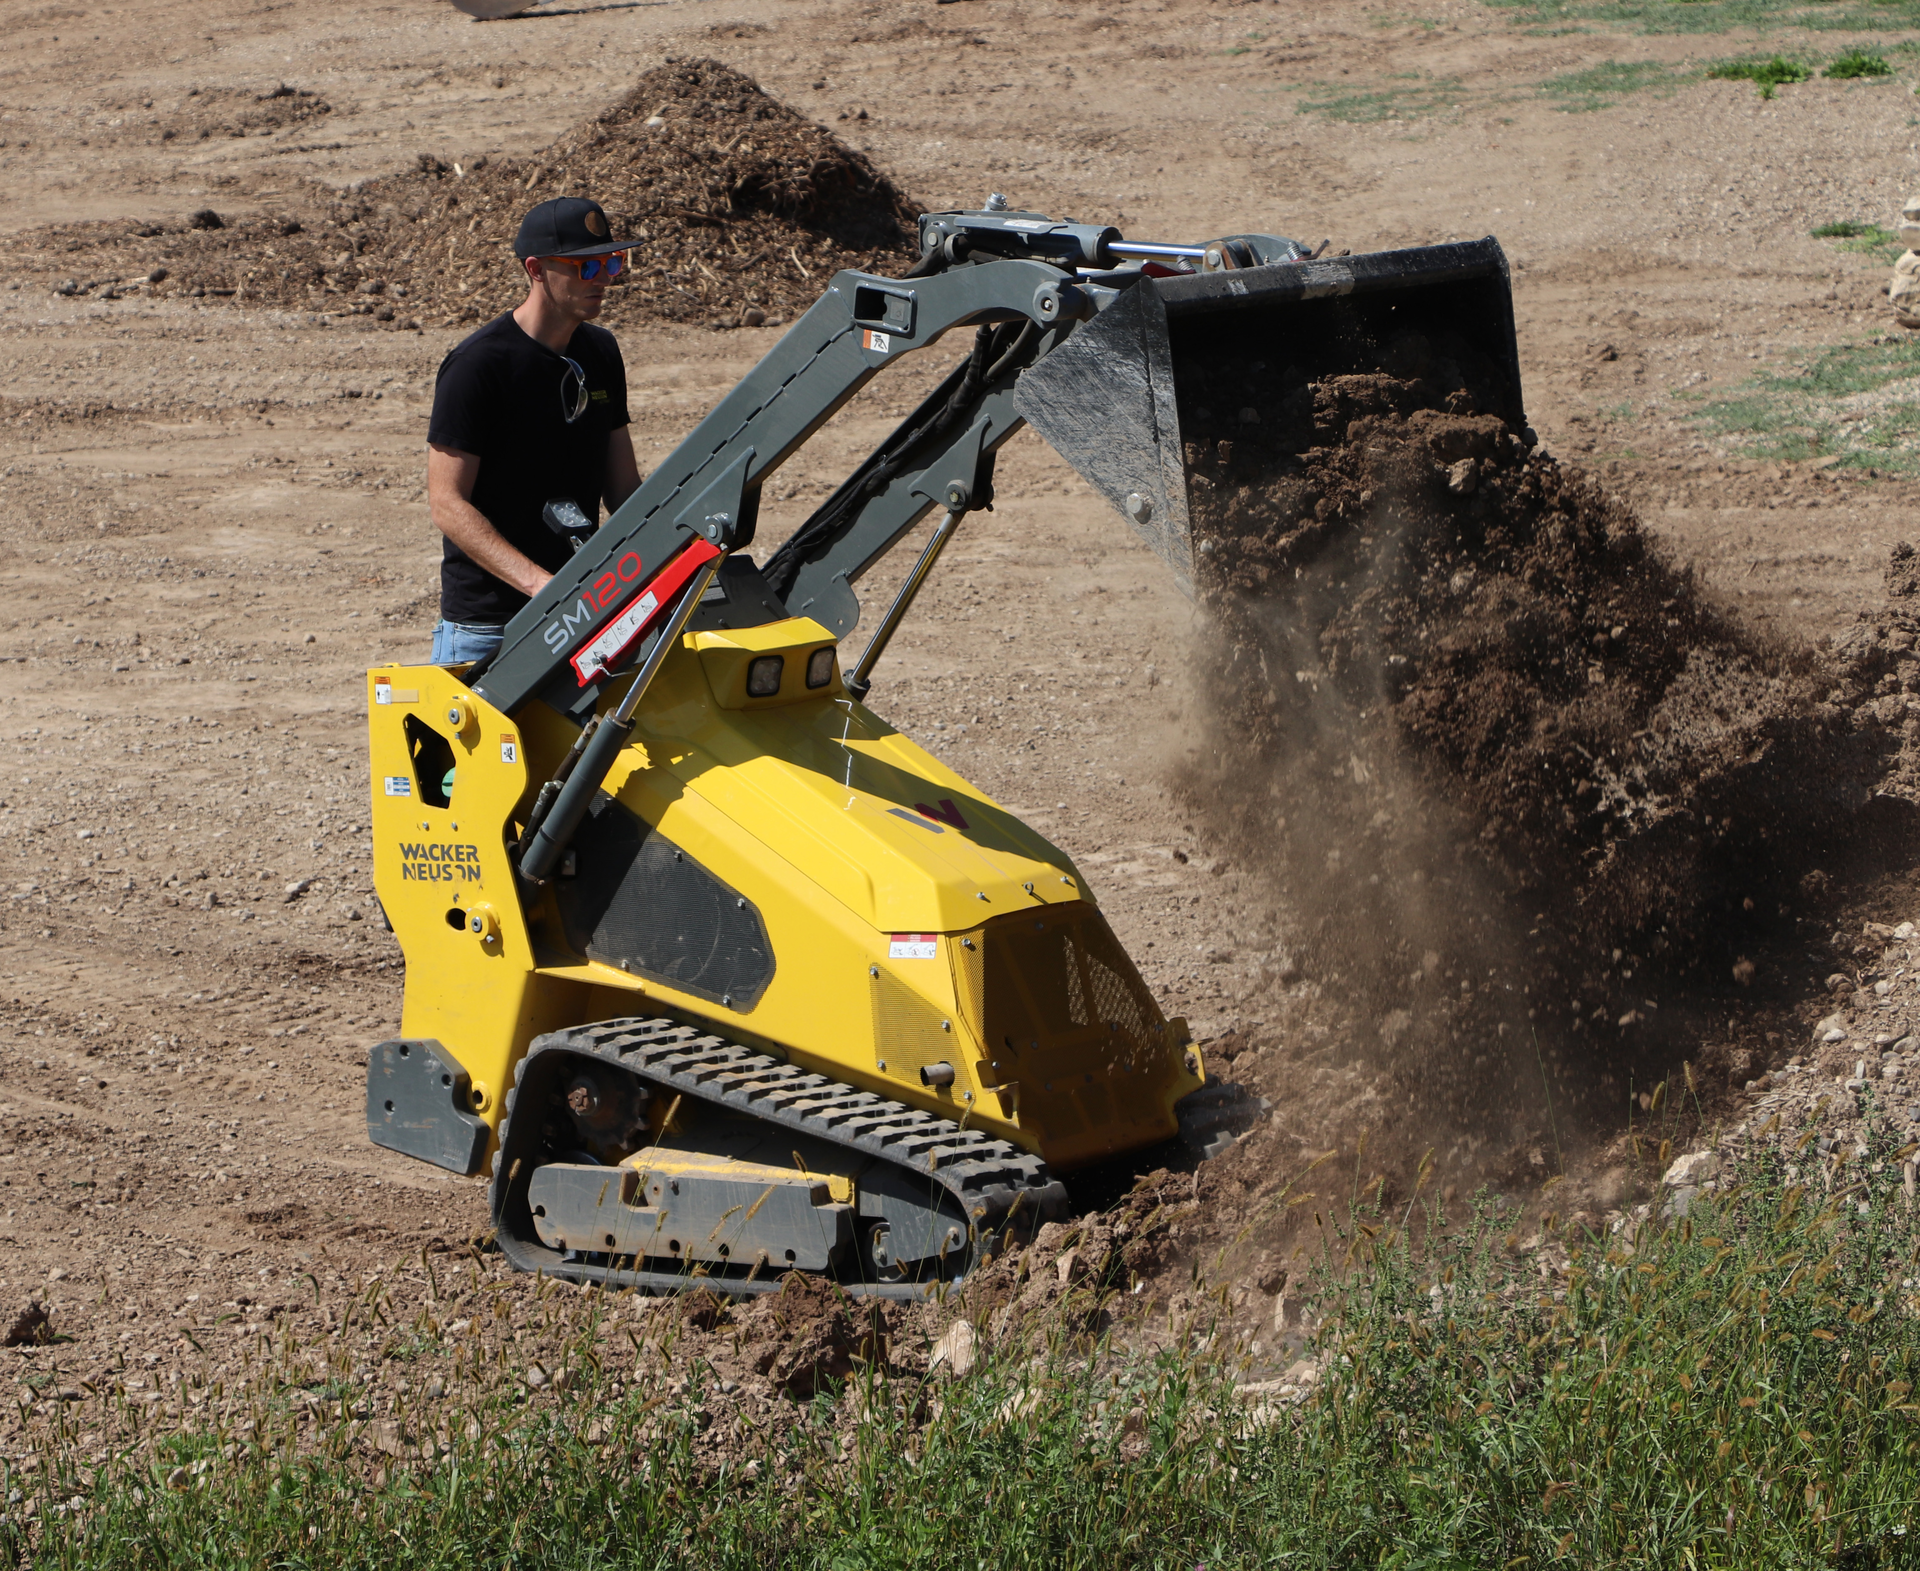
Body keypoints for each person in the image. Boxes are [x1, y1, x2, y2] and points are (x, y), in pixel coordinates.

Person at [425, 196, 644, 664]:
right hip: (490, 627)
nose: (604, 278)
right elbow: (447, 502)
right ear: (536, 269)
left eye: (612, 261)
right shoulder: (478, 366)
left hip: (583, 611)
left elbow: (624, 488)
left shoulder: (601, 352)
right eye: (586, 267)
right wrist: (540, 585)